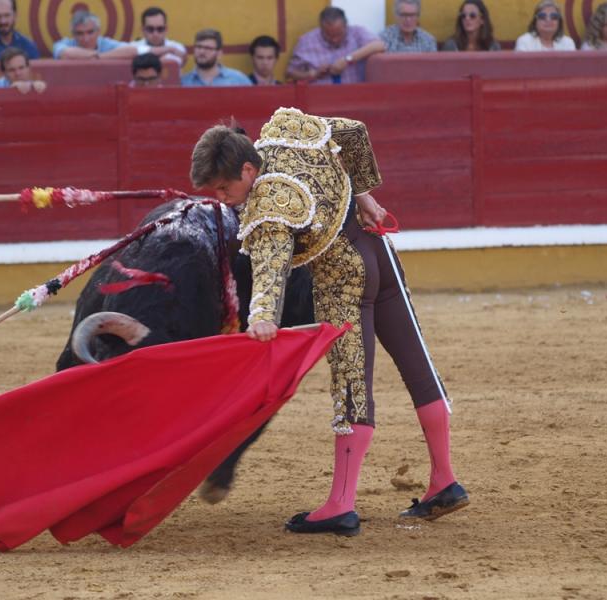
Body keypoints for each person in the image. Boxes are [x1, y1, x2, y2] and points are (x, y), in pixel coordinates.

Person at [190, 109, 469, 535]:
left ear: (248, 169)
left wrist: (263, 316)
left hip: (343, 279)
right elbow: (353, 133)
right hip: (380, 251)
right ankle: (444, 480)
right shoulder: (285, 137)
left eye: (225, 188)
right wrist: (364, 193)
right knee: (419, 367)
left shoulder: (268, 204)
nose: (224, 199)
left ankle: (341, 505)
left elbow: (270, 266)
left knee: (352, 387)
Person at [286, 7, 385, 84]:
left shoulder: (356, 32)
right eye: (328, 35)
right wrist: (314, 74)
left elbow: (380, 45)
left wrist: (347, 60)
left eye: (339, 34)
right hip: (320, 99)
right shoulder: (307, 41)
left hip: (356, 96)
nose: (334, 39)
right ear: (321, 28)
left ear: (346, 26)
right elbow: (290, 73)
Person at [52, 11, 137, 60]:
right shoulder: (66, 43)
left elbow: (132, 50)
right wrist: (97, 56)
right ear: (73, 34)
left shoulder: (105, 43)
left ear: (98, 31)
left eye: (90, 32)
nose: (86, 38)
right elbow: (65, 53)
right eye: (80, 33)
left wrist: (99, 56)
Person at [180, 29, 251, 87]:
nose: (201, 52)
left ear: (219, 53)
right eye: (198, 47)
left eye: (207, 48)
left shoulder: (238, 80)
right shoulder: (184, 82)